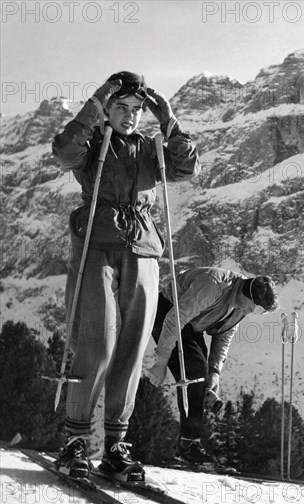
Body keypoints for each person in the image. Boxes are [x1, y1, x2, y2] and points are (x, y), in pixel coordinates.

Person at [52, 71, 200, 481]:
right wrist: (98, 99)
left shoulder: (152, 150)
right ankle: (76, 439)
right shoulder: (92, 145)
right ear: (108, 111)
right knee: (96, 340)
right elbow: (63, 151)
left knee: (133, 347)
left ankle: (117, 443)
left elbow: (187, 167)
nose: (131, 117)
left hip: (145, 249)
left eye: (137, 110)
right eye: (122, 108)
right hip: (96, 244)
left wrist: (168, 119)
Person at [148, 267, 279, 465]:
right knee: (195, 372)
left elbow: (223, 336)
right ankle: (188, 444)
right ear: (249, 295)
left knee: (203, 376)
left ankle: (191, 442)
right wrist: (161, 362)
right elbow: (175, 318)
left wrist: (215, 373)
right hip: (168, 312)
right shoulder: (213, 285)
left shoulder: (241, 307)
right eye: (257, 308)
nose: (254, 313)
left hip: (192, 325)